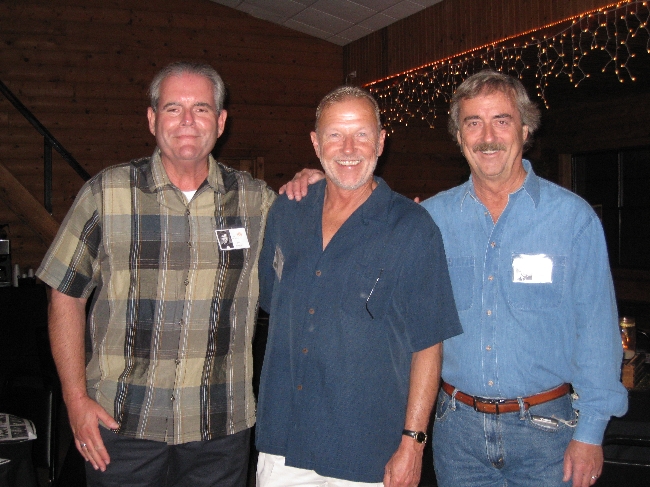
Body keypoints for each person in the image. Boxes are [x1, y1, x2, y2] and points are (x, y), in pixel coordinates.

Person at [280, 71, 628, 487]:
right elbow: (366, 213)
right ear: (459, 137)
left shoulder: (572, 219)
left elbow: (597, 332)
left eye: (501, 121)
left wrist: (591, 431)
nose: (487, 137)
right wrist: (321, 180)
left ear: (525, 129)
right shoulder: (429, 221)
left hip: (548, 433)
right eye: (472, 123)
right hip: (457, 434)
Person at [36, 62, 276, 487]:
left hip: (219, 428)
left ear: (221, 121)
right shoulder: (105, 193)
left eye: (201, 108)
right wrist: (75, 400)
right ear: (152, 119)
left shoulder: (257, 202)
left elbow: (317, 251)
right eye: (173, 108)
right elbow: (64, 294)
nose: (187, 121)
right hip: (120, 424)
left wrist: (319, 185)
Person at [255, 86, 462, 487]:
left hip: (368, 452)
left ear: (381, 142)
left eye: (361, 134)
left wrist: (413, 443)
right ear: (316, 143)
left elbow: (428, 344)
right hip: (284, 443)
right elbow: (273, 304)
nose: (348, 148)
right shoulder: (286, 212)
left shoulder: (412, 227)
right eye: (335, 134)